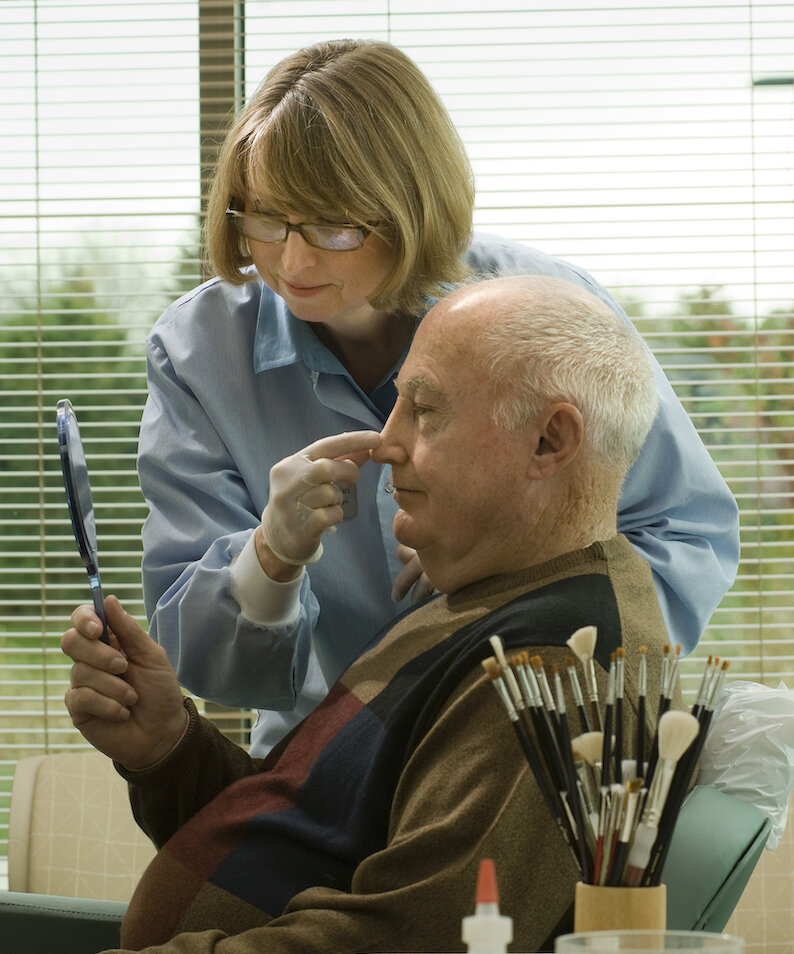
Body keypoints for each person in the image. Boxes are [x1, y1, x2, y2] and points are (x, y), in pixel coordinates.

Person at [137, 37, 737, 757]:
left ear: (410, 203)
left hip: (527, 754)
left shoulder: (554, 312)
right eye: (265, 218)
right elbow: (208, 666)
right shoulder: (198, 355)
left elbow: (685, 536)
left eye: (334, 225)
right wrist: (271, 556)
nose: (291, 262)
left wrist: (522, 579)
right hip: (321, 773)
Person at [64, 275, 684, 954]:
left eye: (424, 410)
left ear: (549, 440)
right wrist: (169, 749)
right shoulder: (474, 604)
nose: (384, 442)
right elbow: (309, 838)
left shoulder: (557, 667)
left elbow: (404, 938)